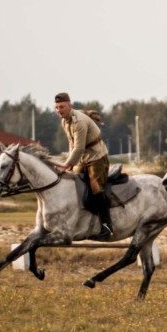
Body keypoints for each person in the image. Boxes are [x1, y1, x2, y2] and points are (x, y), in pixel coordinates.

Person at [55, 92, 112, 238]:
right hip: (82, 158)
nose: (59, 110)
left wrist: (66, 165)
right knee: (76, 184)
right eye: (56, 108)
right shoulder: (65, 121)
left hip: (97, 157)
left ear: (69, 105)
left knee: (95, 187)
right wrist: (70, 164)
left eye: (62, 107)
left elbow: (78, 148)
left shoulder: (78, 122)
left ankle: (107, 224)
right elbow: (72, 144)